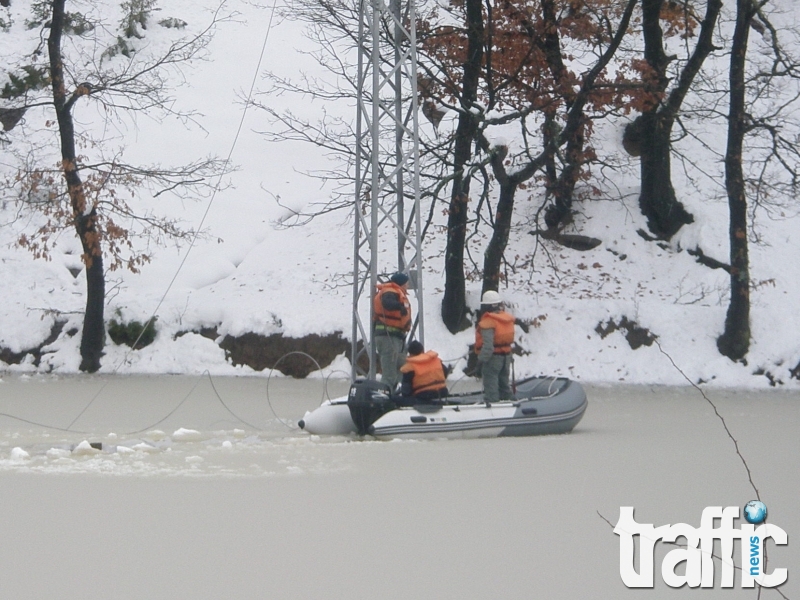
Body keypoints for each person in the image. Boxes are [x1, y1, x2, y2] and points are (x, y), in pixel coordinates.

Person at [475, 290, 515, 404]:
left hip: (493, 359)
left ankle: (493, 407)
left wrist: (480, 361)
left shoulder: (488, 321)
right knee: (504, 385)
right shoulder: (506, 319)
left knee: (491, 386)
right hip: (506, 357)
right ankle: (511, 403)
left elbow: (488, 347)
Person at [373, 271, 412, 391]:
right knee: (389, 374)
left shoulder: (395, 291)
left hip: (396, 337)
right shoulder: (390, 291)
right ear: (401, 283)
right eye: (406, 283)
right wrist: (399, 307)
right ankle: (383, 398)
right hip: (388, 337)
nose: (408, 286)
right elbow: (387, 303)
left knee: (402, 369)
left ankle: (398, 394)